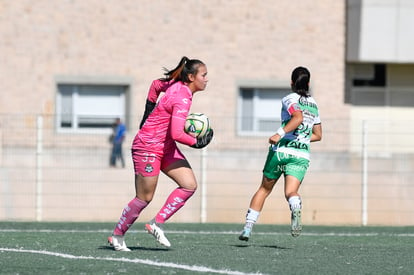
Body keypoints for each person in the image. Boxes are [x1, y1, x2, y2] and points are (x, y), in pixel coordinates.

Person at [108, 56, 213, 251]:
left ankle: (157, 223)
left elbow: (156, 85)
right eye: (204, 75)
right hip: (147, 147)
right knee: (144, 198)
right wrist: (197, 142)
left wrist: (149, 108)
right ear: (191, 77)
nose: (207, 79)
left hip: (165, 146)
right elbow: (177, 133)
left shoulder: (179, 84)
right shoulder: (182, 98)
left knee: (189, 185)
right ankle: (117, 236)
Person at [239, 66, 322, 241]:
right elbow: (318, 135)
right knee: (291, 192)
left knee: (264, 189)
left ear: (292, 82)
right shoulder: (314, 104)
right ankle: (295, 205)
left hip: (282, 151)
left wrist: (280, 134)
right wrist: (302, 140)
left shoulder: (289, 98)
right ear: (308, 84)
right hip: (301, 155)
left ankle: (248, 228)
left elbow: (297, 117)